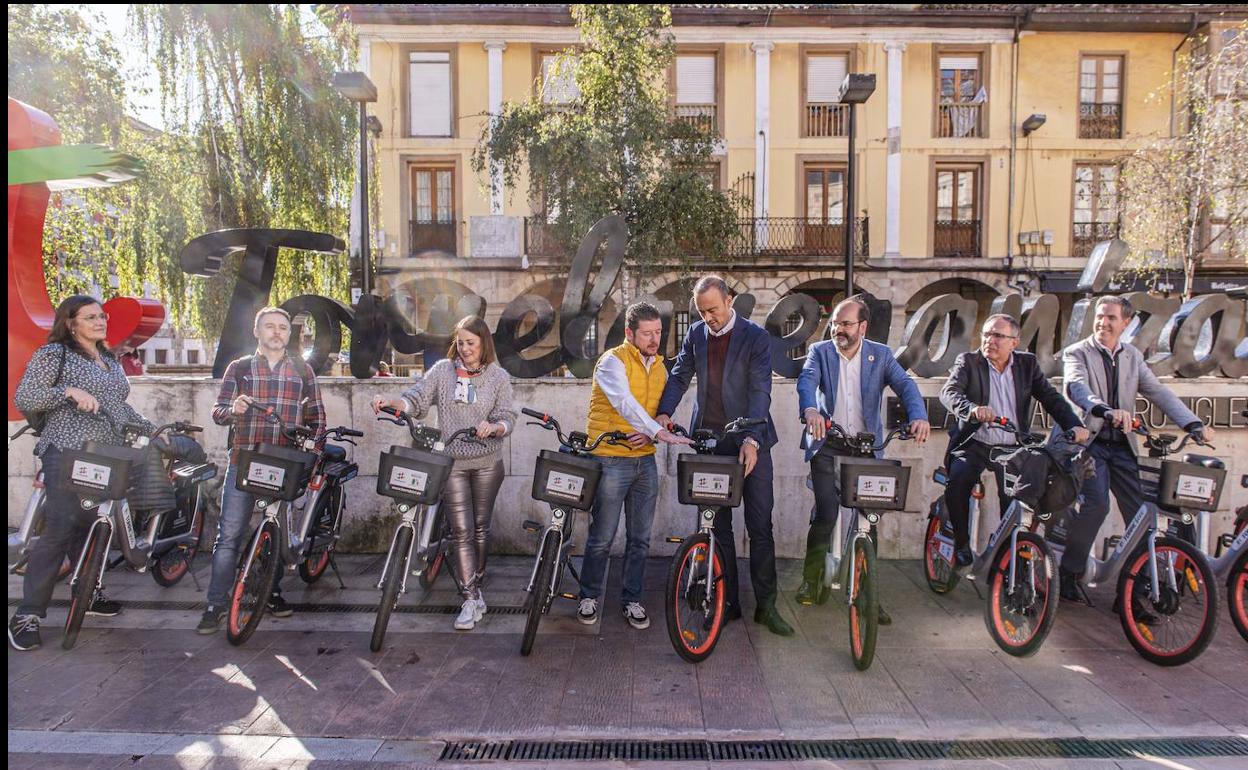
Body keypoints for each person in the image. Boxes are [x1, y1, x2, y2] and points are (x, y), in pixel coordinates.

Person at [9, 295, 154, 651]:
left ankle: (88, 590)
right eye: (90, 317)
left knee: (91, 527)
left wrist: (154, 429)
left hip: (106, 454)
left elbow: (116, 408)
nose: (100, 321)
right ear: (71, 323)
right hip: (66, 451)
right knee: (59, 526)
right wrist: (67, 392)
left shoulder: (108, 359)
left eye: (102, 316)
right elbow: (25, 397)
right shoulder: (53, 355)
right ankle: (26, 615)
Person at [656, 276, 794, 637]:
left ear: (729, 301)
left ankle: (767, 606)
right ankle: (727, 603)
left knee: (760, 526)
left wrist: (751, 437)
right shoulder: (696, 335)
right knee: (717, 528)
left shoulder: (756, 337)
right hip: (711, 443)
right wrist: (664, 413)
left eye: (713, 310)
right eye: (702, 312)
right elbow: (679, 375)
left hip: (752, 442)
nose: (709, 318)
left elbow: (760, 390)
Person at [1057, 295, 1214, 602]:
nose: (1103, 322)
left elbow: (1158, 392)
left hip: (1122, 447)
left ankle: (1135, 587)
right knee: (1097, 505)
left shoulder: (1132, 356)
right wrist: (1104, 410)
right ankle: (1069, 571)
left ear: (1125, 323)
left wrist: (1192, 424)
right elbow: (1076, 388)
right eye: (1100, 316)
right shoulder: (1078, 352)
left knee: (1143, 514)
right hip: (1089, 445)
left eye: (1111, 318)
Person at [372, 316, 516, 631]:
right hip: (453, 463)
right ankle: (470, 596)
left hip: (488, 463)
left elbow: (508, 417)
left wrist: (494, 427)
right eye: (461, 342)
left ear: (483, 344)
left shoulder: (498, 377)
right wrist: (392, 402)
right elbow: (416, 399)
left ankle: (476, 582)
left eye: (471, 343)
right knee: (461, 532)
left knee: (480, 530)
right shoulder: (442, 371)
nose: (465, 349)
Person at [796, 296, 930, 620]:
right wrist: (811, 409)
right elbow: (807, 382)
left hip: (866, 449)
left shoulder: (880, 355)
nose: (837, 329)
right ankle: (811, 581)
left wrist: (919, 415)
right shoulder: (820, 351)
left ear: (862, 326)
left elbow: (906, 385)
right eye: (835, 323)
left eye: (845, 323)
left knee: (869, 522)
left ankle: (870, 596)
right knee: (826, 514)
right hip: (828, 443)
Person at [197, 307, 326, 634]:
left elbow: (316, 418)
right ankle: (215, 603)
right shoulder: (239, 368)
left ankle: (271, 592)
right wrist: (232, 409)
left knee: (277, 532)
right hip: (244, 460)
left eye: (282, 327)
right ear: (257, 332)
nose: (277, 332)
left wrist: (312, 451)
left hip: (284, 463)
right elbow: (217, 412)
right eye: (270, 326)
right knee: (229, 536)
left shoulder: (302, 369)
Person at [939, 314, 1090, 568]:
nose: (990, 340)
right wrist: (972, 409)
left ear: (1014, 342)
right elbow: (949, 392)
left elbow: (1050, 398)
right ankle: (962, 543)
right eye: (986, 334)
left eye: (998, 335)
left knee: (1017, 499)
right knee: (959, 479)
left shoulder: (1027, 365)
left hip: (1012, 446)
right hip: (974, 443)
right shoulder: (968, 361)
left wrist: (1074, 424)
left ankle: (1008, 557)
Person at [576, 302, 693, 630]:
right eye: (647, 333)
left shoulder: (659, 367)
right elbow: (625, 403)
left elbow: (655, 411)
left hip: (644, 461)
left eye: (658, 332)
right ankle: (589, 596)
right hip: (611, 459)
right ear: (630, 333)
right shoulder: (612, 361)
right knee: (602, 536)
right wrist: (654, 431)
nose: (655, 339)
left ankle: (632, 599)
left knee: (640, 538)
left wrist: (656, 429)